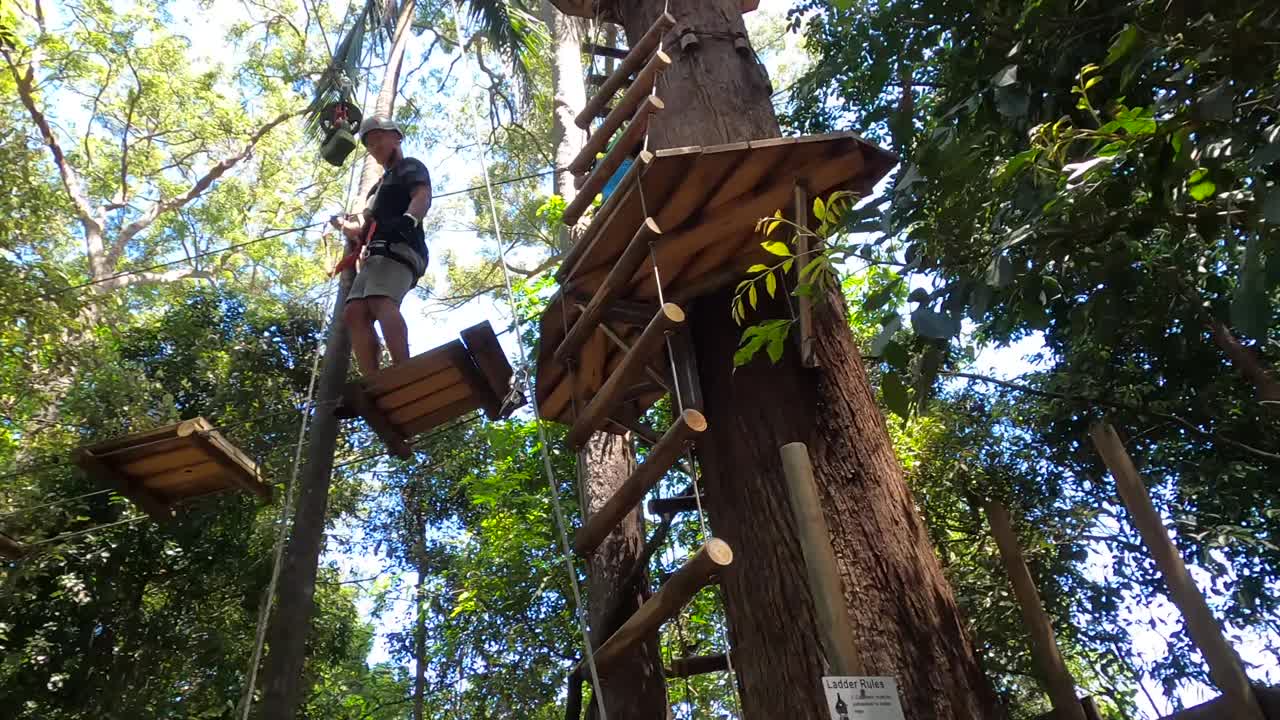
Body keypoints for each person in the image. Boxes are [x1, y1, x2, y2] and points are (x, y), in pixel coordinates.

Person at [329, 115, 431, 376]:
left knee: (380, 299)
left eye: (378, 139)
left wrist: (409, 220)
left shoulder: (409, 167)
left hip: (400, 246)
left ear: (397, 137)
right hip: (376, 254)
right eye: (370, 145)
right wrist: (341, 225)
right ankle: (373, 380)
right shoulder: (377, 188)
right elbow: (363, 232)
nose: (374, 148)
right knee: (354, 312)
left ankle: (403, 372)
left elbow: (422, 196)